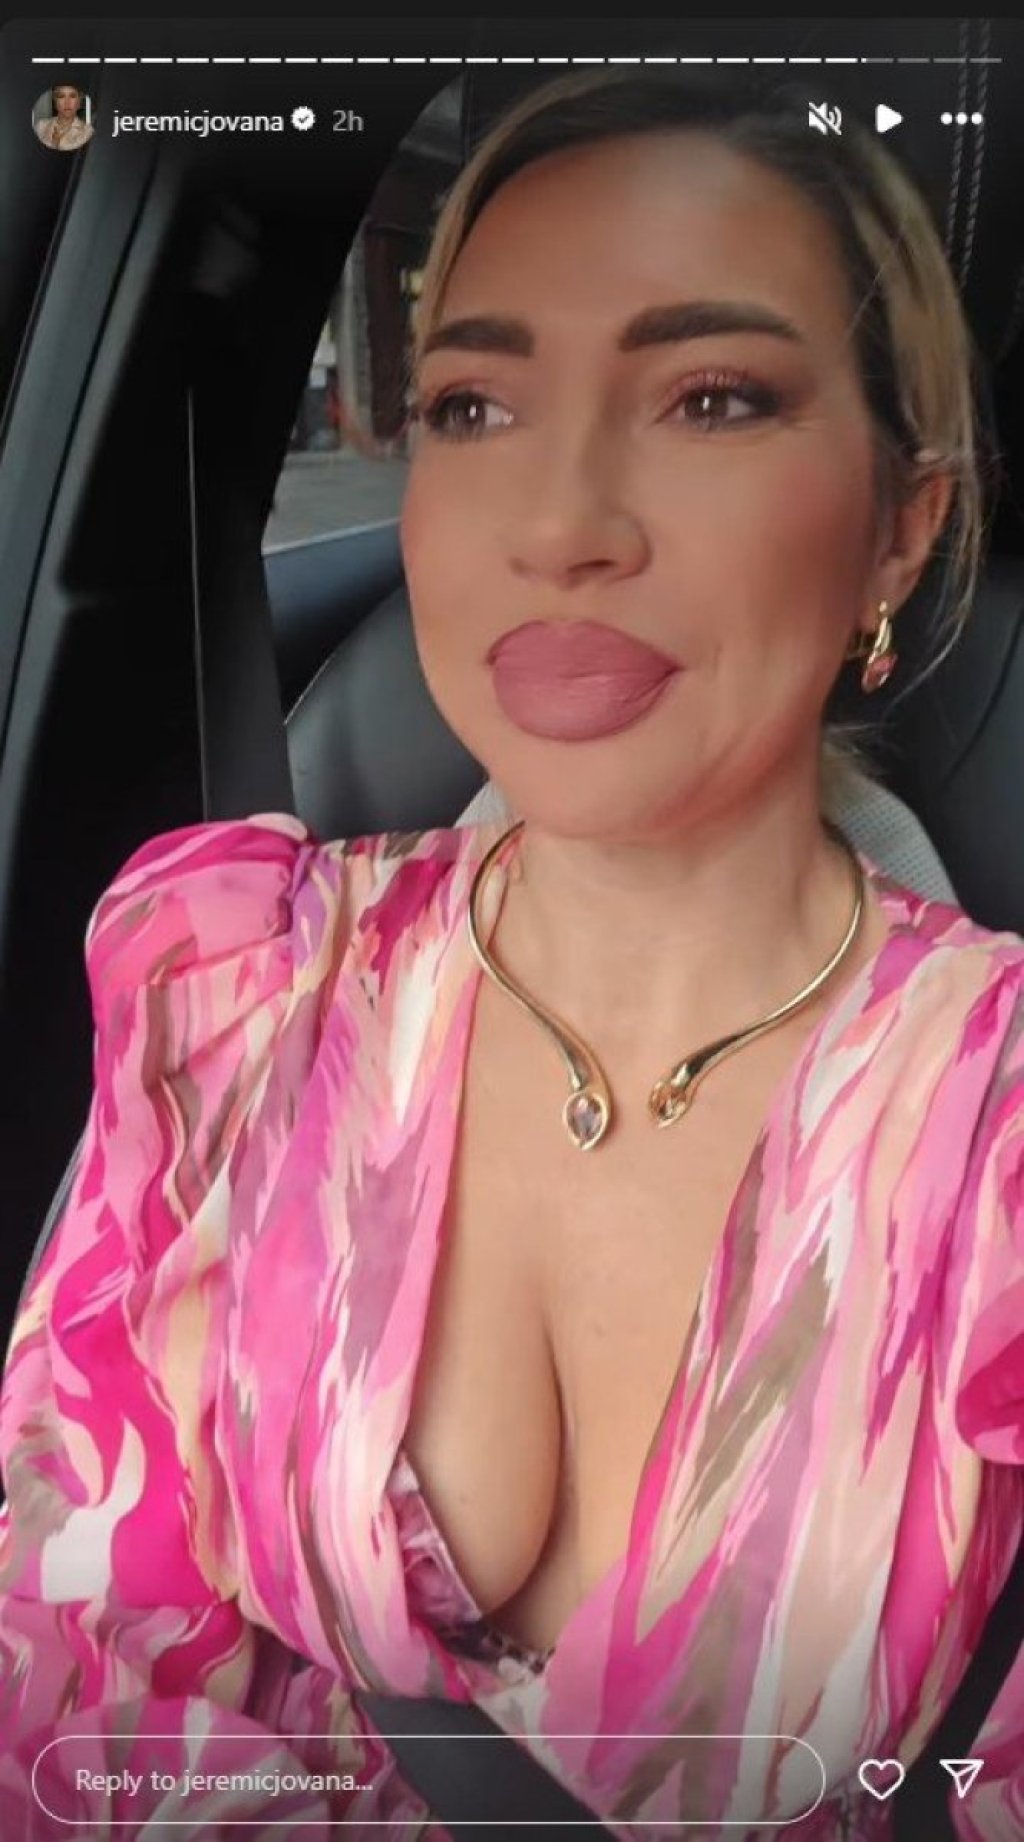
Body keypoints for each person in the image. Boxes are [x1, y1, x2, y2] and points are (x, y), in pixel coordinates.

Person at [1, 68, 1021, 1840]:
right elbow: (61, 1661)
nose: (558, 525)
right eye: (473, 405)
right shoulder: (229, 980)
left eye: (708, 397)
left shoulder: (988, 1138)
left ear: (898, 525)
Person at [34, 83, 93, 152]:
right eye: (61, 96)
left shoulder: (87, 132)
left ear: (79, 103)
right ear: (55, 102)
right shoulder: (41, 127)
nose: (67, 102)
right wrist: (54, 143)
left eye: (72, 96)